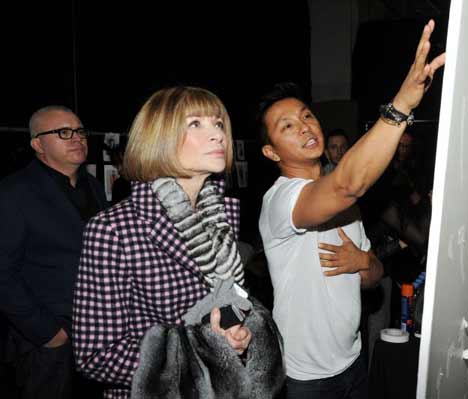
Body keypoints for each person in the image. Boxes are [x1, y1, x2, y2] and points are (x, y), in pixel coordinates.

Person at [257, 20, 445, 399]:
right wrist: (402, 106)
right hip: (305, 378)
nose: (305, 126)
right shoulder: (280, 200)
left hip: (353, 361)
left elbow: (373, 275)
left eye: (307, 115)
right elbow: (347, 183)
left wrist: (362, 262)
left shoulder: (346, 208)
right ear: (271, 152)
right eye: (287, 125)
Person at [72, 86, 284, 399]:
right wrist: (204, 356)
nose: (217, 135)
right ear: (158, 138)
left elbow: (228, 297)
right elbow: (96, 354)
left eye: (218, 123)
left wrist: (234, 332)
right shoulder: (114, 229)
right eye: (195, 124)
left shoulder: (221, 216)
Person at [0, 105, 108, 398]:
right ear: (37, 144)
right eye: (63, 132)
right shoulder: (14, 192)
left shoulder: (95, 188)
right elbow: (3, 274)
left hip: (100, 335)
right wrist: (48, 333)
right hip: (49, 342)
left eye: (80, 131)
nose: (77, 138)